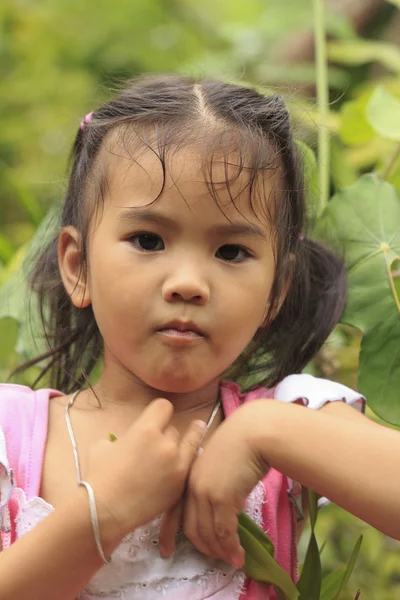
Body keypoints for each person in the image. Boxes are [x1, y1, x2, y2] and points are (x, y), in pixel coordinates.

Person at [0, 75, 365, 600]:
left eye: (232, 252)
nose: (189, 284)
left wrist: (265, 433)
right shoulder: (14, 438)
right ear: (77, 267)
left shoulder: (293, 417)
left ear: (276, 291)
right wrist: (106, 514)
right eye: (148, 240)